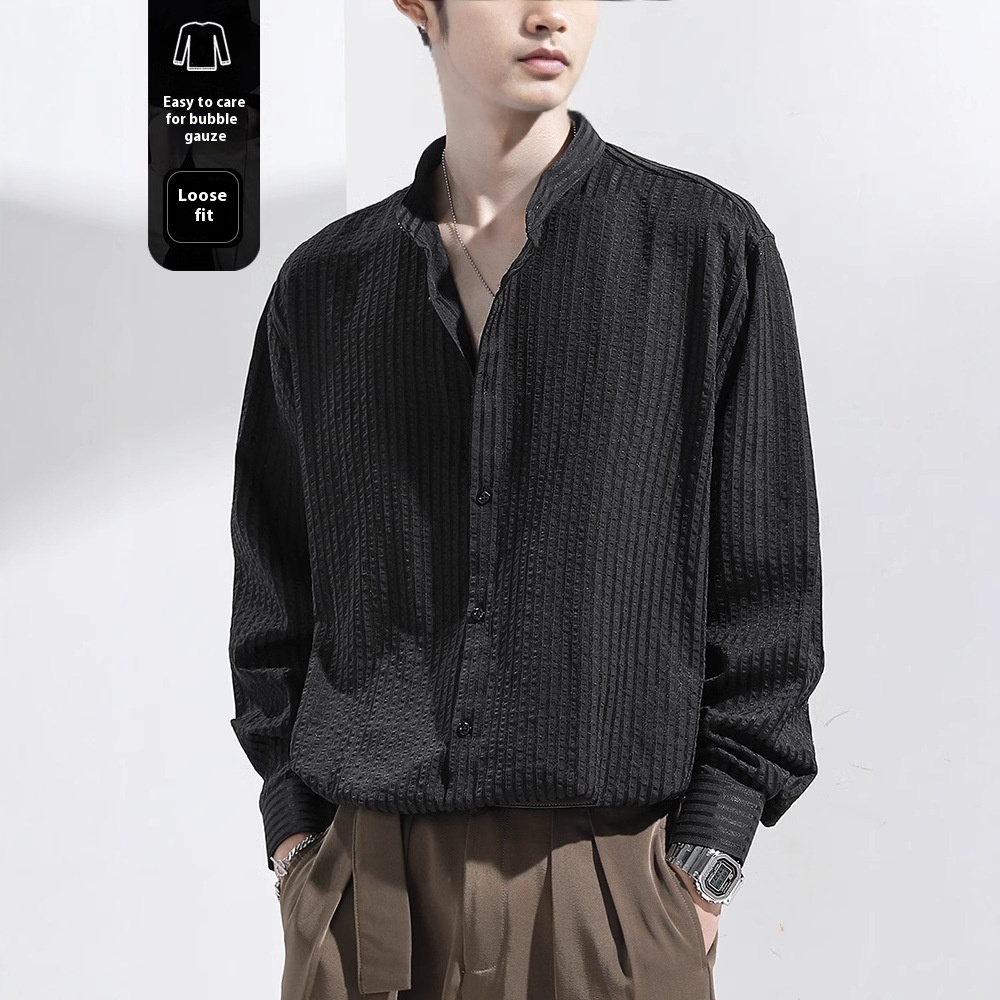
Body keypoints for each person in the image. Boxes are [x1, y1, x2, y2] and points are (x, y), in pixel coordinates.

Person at [227, 2, 825, 998]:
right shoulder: (324, 287)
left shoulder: (705, 251)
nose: (550, 14)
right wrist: (297, 841)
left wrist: (704, 864)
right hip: (364, 893)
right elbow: (273, 594)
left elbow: (770, 597)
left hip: (610, 893)